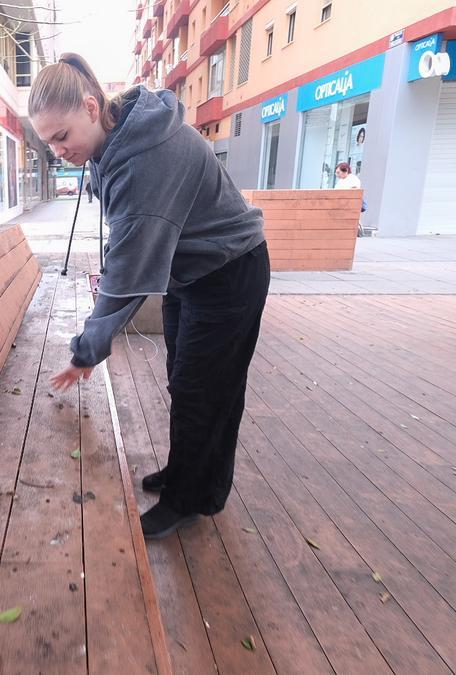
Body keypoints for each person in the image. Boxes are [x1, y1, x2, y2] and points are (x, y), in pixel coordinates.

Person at [30, 54, 269, 540]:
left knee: (204, 391)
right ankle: (194, 477)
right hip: (192, 272)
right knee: (189, 385)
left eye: (62, 136)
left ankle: (187, 498)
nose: (58, 150)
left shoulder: (145, 160)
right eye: (48, 142)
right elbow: (129, 245)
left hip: (229, 271)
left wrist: (87, 351)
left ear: (92, 108)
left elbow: (128, 275)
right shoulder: (116, 143)